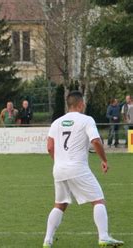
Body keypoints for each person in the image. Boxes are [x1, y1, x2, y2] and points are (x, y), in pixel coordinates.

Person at [42, 91, 123, 247]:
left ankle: (47, 240)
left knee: (60, 204)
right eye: (83, 103)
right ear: (80, 104)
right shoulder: (86, 120)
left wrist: (59, 161)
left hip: (59, 169)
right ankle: (104, 236)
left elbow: (50, 147)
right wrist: (104, 160)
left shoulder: (57, 122)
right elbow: (96, 141)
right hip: (77, 168)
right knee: (98, 199)